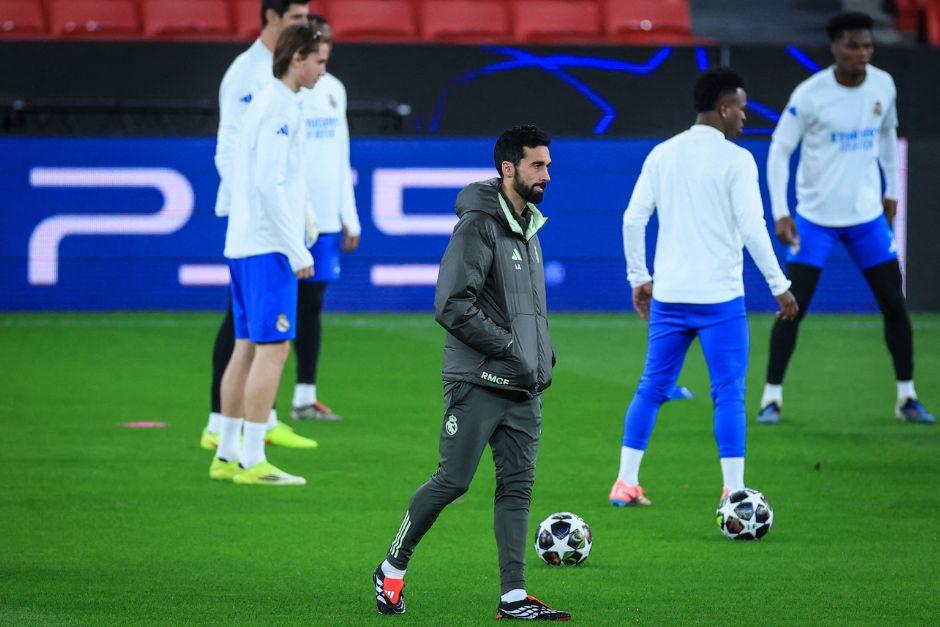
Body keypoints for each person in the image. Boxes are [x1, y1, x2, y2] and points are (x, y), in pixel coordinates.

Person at [373, 126, 569, 621]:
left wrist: (540, 355)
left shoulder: (529, 225)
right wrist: (508, 348)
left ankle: (514, 597)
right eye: (537, 165)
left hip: (524, 386)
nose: (546, 173)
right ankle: (391, 568)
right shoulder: (478, 226)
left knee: (517, 489)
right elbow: (451, 305)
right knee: (453, 481)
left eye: (547, 164)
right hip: (479, 381)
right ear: (509, 169)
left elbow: (526, 309)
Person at [609, 68, 799, 508]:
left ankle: (625, 482)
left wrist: (639, 277)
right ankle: (733, 492)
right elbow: (752, 228)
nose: (745, 118)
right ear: (725, 108)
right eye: (743, 109)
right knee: (728, 392)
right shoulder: (737, 160)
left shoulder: (663, 154)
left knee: (651, 387)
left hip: (671, 298)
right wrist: (780, 285)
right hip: (720, 302)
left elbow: (632, 219)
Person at [756, 11, 934, 425]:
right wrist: (782, 212)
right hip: (813, 220)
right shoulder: (811, 94)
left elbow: (888, 136)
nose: (862, 53)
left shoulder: (883, 85)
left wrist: (892, 190)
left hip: (867, 218)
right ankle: (771, 398)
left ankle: (907, 397)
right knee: (792, 309)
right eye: (854, 45)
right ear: (834, 47)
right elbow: (780, 150)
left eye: (868, 45)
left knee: (895, 305)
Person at [209, 24, 329, 486]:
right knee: (274, 349)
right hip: (266, 246)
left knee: (244, 348)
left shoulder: (267, 101)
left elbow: (271, 177)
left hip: (244, 242)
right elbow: (266, 181)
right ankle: (254, 459)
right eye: (318, 60)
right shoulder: (280, 106)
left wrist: (305, 211)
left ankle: (227, 451)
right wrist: (294, 243)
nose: (322, 70)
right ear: (296, 57)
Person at [290, 13, 362, 422]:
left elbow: (340, 157)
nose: (327, 49)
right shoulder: (282, 91)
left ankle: (304, 396)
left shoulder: (334, 89)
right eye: (320, 41)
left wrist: (349, 218)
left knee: (312, 306)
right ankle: (258, 406)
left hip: (327, 222)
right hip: (289, 220)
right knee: (280, 305)